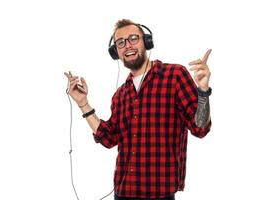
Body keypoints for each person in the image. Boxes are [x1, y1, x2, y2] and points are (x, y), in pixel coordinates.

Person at [64, 19, 212, 200]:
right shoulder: (120, 94)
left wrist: (203, 92)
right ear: (116, 52)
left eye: (133, 38)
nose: (127, 45)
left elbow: (200, 128)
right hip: (123, 192)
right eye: (120, 42)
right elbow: (109, 138)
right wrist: (83, 103)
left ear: (146, 42)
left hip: (160, 194)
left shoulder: (175, 75)